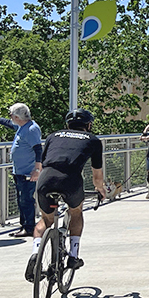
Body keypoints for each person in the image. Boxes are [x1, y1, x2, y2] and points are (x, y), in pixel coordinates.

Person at [25, 109, 106, 282]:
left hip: (45, 178)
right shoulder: (93, 140)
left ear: (67, 124)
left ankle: (35, 253)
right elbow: (97, 177)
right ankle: (73, 256)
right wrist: (101, 190)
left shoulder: (53, 136)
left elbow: (44, 160)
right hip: (70, 180)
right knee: (76, 212)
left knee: (45, 221)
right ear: (88, 125)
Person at [0, 103, 42, 238]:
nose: (10, 118)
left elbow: (38, 150)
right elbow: (7, 123)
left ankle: (29, 227)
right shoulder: (22, 126)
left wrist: (37, 169)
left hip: (27, 171)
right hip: (19, 171)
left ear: (17, 116)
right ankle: (24, 225)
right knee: (21, 199)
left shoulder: (31, 129)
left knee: (26, 200)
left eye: (11, 115)